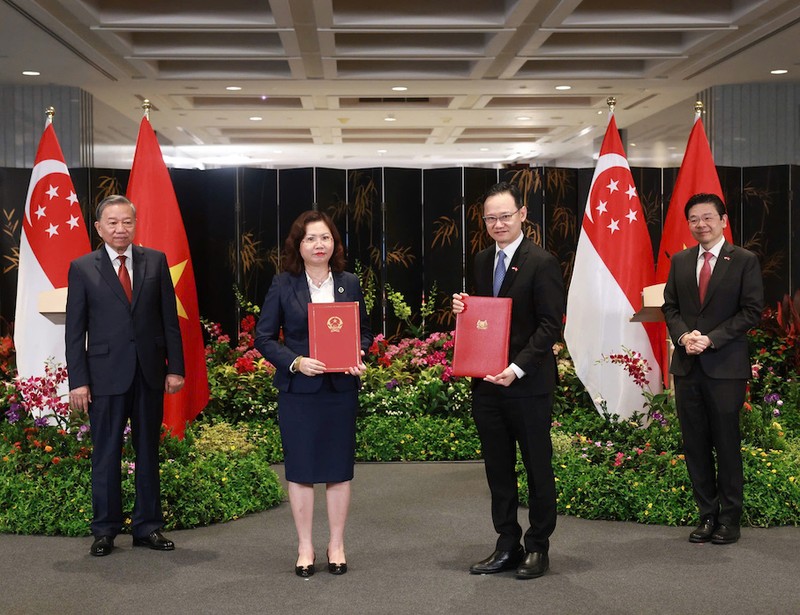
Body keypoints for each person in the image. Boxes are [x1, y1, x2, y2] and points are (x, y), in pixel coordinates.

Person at [452, 181, 564, 579]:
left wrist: (516, 368)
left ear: (523, 215)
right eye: (490, 218)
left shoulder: (542, 262)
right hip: (486, 385)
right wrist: (462, 308)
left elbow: (550, 326)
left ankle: (538, 546)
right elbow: (485, 319)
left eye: (505, 215)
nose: (498, 223)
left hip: (527, 384)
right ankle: (506, 544)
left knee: (537, 466)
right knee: (498, 469)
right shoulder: (482, 260)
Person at [255, 210, 372, 578]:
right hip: (299, 391)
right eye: (310, 239)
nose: (318, 244)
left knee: (339, 470)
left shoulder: (349, 282)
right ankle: (305, 544)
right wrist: (295, 362)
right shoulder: (283, 283)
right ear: (298, 245)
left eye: (325, 238)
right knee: (301, 469)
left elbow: (364, 332)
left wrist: (358, 354)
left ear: (334, 243)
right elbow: (264, 338)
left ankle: (336, 544)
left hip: (340, 390)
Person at [66, 195, 185, 557]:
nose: (121, 229)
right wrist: (78, 381)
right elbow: (75, 330)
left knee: (147, 451)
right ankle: (105, 529)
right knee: (106, 453)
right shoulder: (83, 267)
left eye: (127, 222)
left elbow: (169, 320)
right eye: (113, 223)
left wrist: (176, 367)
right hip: (104, 376)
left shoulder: (156, 261)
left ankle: (148, 526)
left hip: (149, 373)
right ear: (99, 227)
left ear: (136, 223)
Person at [662, 192, 763, 545]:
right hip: (688, 366)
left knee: (726, 442)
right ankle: (707, 515)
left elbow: (751, 311)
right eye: (694, 219)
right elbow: (670, 307)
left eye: (707, 217)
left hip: (725, 367)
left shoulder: (744, 260)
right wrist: (683, 336)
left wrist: (712, 338)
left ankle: (730, 519)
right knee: (695, 444)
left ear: (722, 220)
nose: (700, 224)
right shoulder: (681, 260)